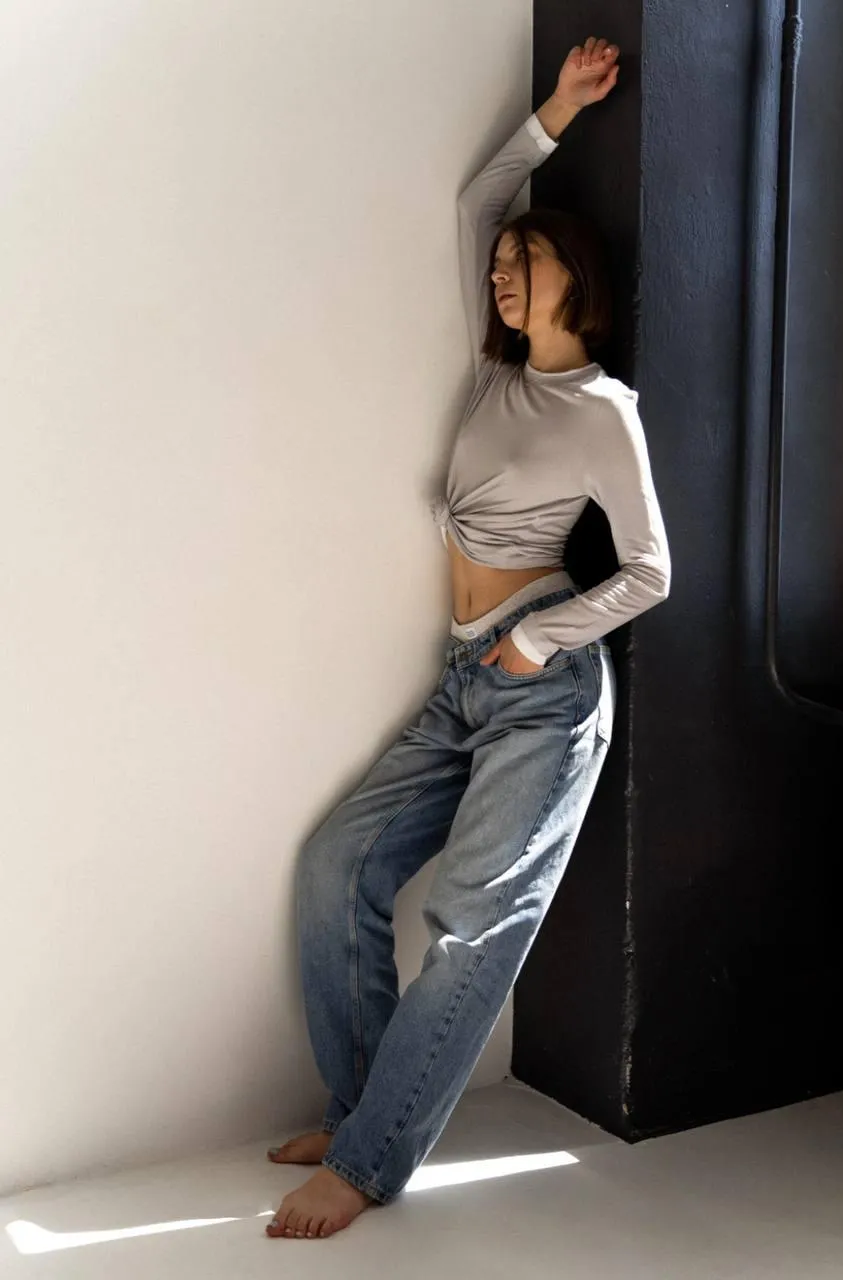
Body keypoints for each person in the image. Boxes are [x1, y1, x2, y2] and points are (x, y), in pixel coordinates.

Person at [265, 36, 670, 1241]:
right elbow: (480, 195)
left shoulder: (601, 411)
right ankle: (357, 1110)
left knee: (473, 924)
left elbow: (651, 568)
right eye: (497, 264)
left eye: (524, 259)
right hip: (466, 674)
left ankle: (369, 1160)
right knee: (338, 865)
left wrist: (544, 647)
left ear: (570, 276)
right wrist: (556, 110)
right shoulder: (494, 372)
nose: (500, 271)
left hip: (543, 686)